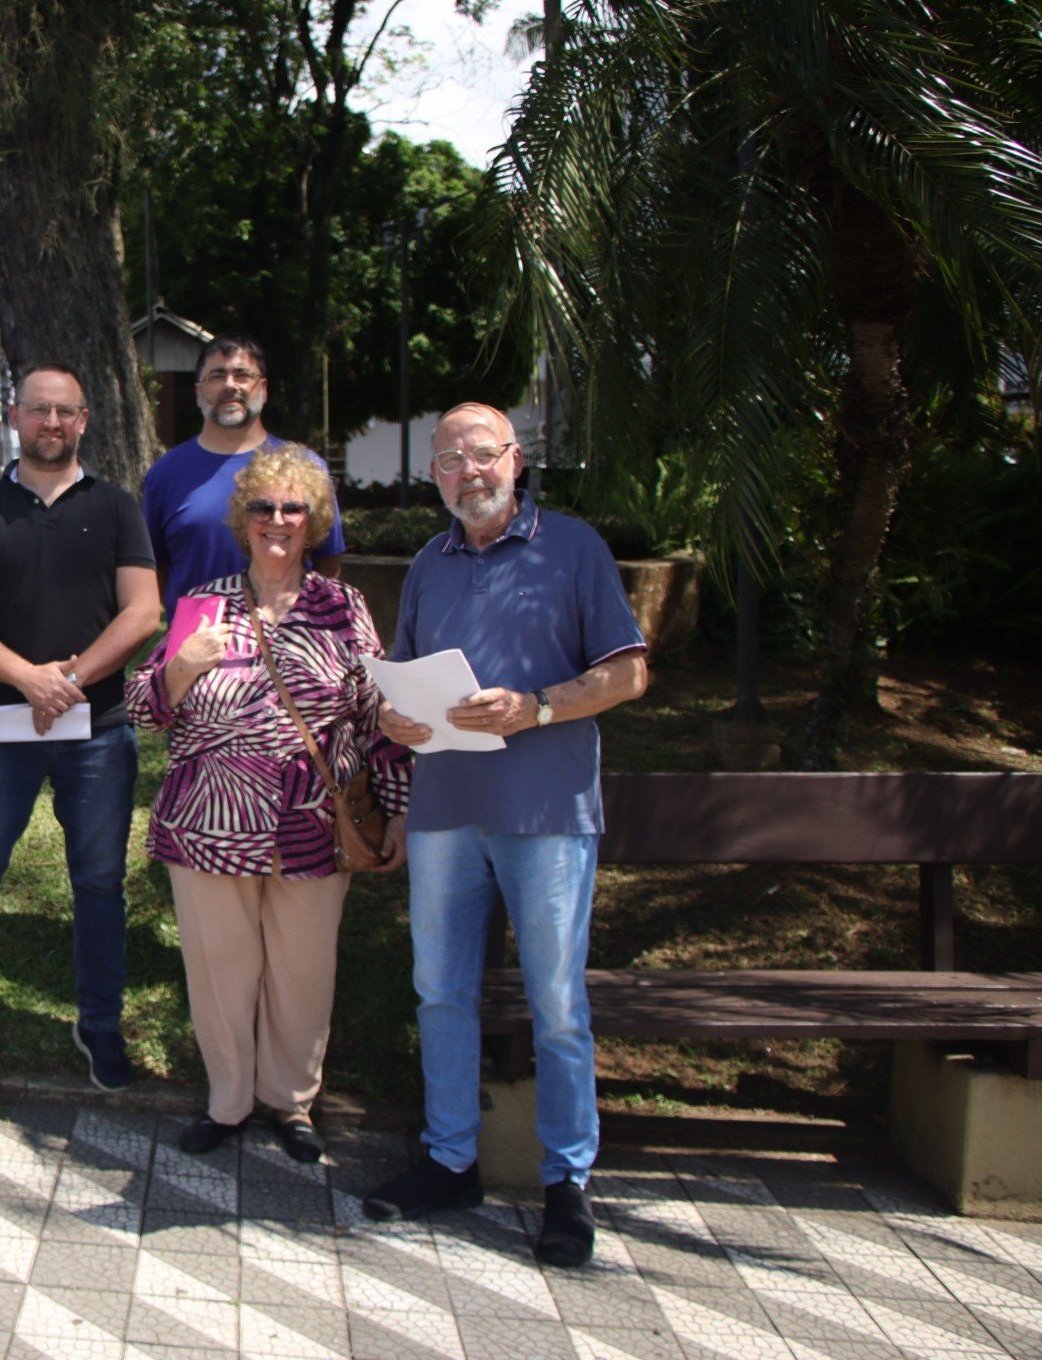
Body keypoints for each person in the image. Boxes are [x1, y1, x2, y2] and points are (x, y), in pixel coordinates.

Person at [360, 402, 648, 1267]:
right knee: (439, 991)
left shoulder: (574, 548)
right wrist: (393, 719)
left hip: (546, 813)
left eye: (482, 455)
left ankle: (568, 1183)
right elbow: (398, 682)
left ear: (515, 461)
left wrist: (540, 708)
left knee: (558, 1004)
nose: (467, 472)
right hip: (446, 808)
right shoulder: (428, 564)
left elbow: (630, 672)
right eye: (449, 459)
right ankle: (451, 1159)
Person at [127, 444, 410, 1163]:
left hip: (313, 822)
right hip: (209, 824)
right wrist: (179, 671)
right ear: (243, 519)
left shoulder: (343, 608)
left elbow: (379, 716)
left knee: (302, 971)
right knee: (222, 972)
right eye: (263, 507)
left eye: (293, 508)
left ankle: (291, 1103)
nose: (277, 520)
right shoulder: (203, 604)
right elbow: (141, 708)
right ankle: (227, 1103)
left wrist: (397, 808)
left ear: (313, 521)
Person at [0, 363, 161, 1092]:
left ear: (85, 419)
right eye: (39, 411)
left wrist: (68, 682)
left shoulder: (119, 507)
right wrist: (30, 678)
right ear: (14, 417)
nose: (52, 424)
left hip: (97, 730)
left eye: (66, 411)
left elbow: (142, 613)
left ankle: (98, 1025)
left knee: (99, 883)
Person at [141, 333, 346, 613]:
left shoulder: (304, 468)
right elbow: (154, 569)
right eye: (217, 376)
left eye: (242, 375)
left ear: (263, 388)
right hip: (196, 641)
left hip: (285, 638)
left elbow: (328, 561)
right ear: (199, 390)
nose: (230, 385)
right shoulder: (164, 474)